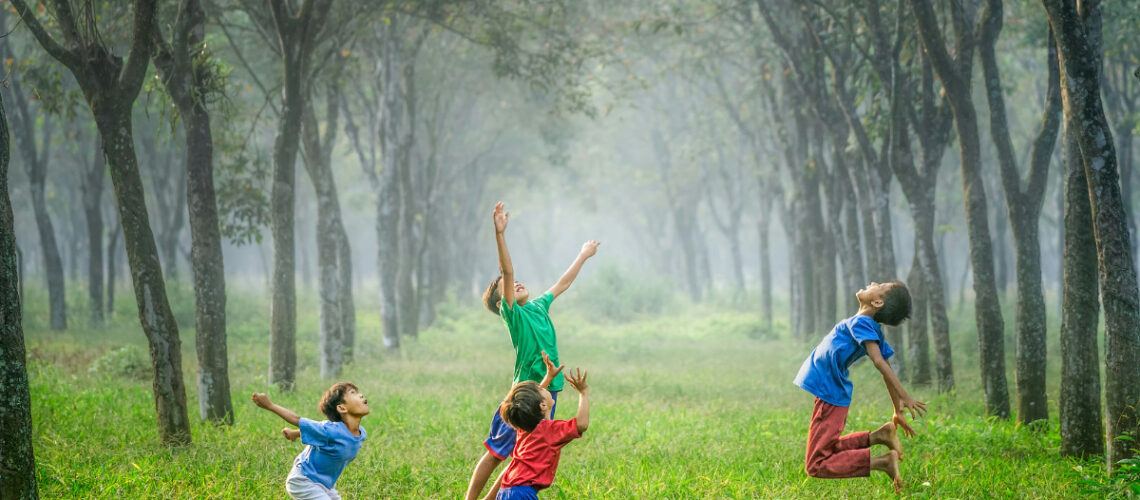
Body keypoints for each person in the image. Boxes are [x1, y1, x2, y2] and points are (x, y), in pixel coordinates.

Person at [465, 201, 599, 500]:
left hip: (548, 390)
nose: (516, 283)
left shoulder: (538, 306)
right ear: (503, 301)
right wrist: (500, 234)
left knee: (523, 451)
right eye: (507, 286)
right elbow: (507, 270)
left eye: (515, 283)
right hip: (524, 394)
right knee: (497, 452)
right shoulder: (513, 314)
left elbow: (563, 283)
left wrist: (583, 255)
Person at [792, 281, 926, 493]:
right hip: (831, 393)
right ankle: (879, 436)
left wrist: (904, 396)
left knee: (816, 464)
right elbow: (886, 366)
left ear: (877, 301)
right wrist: (897, 409)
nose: (873, 282)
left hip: (830, 394)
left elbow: (880, 362)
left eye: (880, 285)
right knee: (827, 448)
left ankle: (882, 463)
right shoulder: (868, 326)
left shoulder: (863, 323)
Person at [484, 365, 590, 500]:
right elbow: (581, 424)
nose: (544, 388)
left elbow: (531, 403)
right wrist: (583, 392)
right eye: (541, 389)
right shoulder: (551, 430)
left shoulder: (524, 427)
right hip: (522, 493)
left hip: (505, 491)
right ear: (543, 405)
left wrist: (549, 377)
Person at [252, 383, 369, 500]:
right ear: (342, 408)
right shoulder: (330, 430)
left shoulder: (361, 433)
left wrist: (295, 433)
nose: (361, 395)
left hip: (325, 485)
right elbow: (297, 419)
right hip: (304, 480)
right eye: (353, 393)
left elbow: (317, 433)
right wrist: (270, 405)